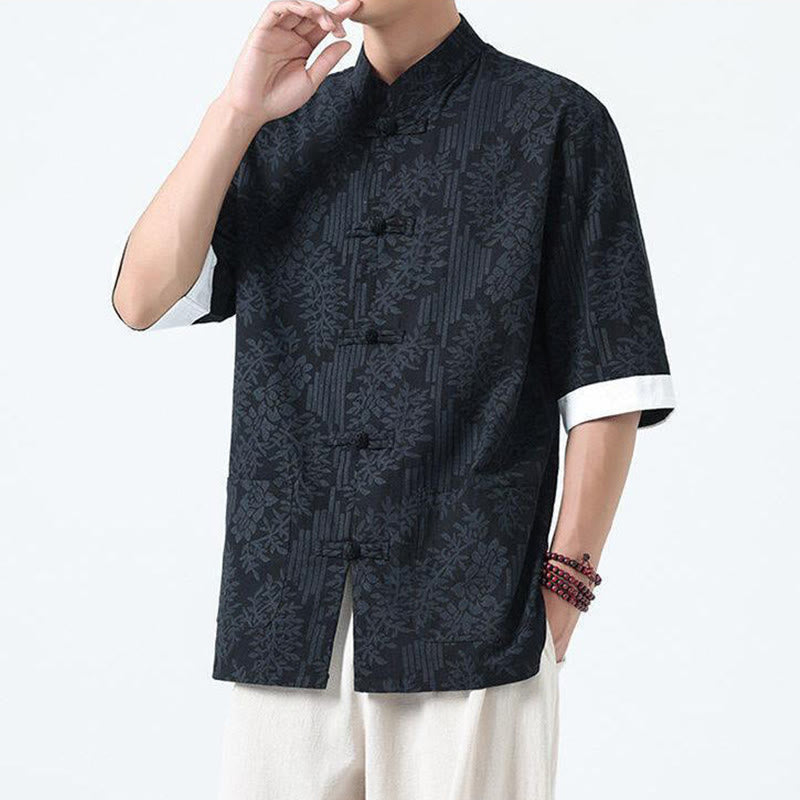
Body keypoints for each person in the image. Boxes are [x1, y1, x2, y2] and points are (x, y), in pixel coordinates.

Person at [111, 1, 676, 797]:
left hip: (471, 620)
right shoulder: (281, 129)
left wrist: (564, 593)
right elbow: (142, 298)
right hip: (285, 620)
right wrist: (235, 112)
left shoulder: (554, 122)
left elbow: (608, 381)